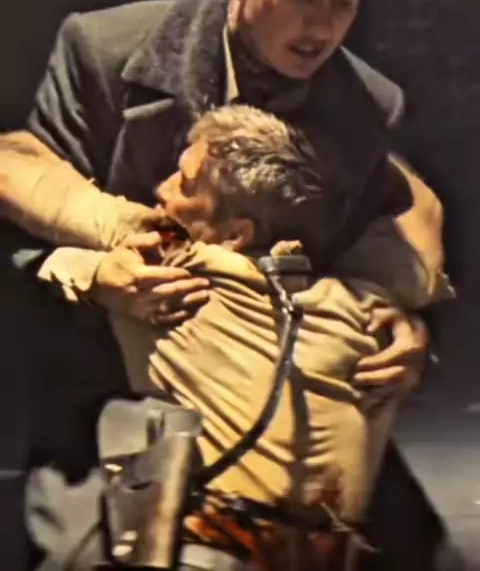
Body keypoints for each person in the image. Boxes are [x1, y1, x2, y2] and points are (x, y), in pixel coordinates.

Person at [0, 0, 451, 568]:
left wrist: (400, 323)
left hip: (274, 393)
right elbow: (20, 217)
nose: (321, 27)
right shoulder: (104, 51)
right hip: (112, 386)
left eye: (343, 3)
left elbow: (376, 246)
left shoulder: (364, 106)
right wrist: (98, 275)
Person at [26, 104, 442, 571]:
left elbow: (23, 181)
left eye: (184, 183)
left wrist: (92, 272)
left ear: (235, 235)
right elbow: (423, 217)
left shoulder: (178, 270)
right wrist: (353, 130)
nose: (161, 189)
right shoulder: (366, 308)